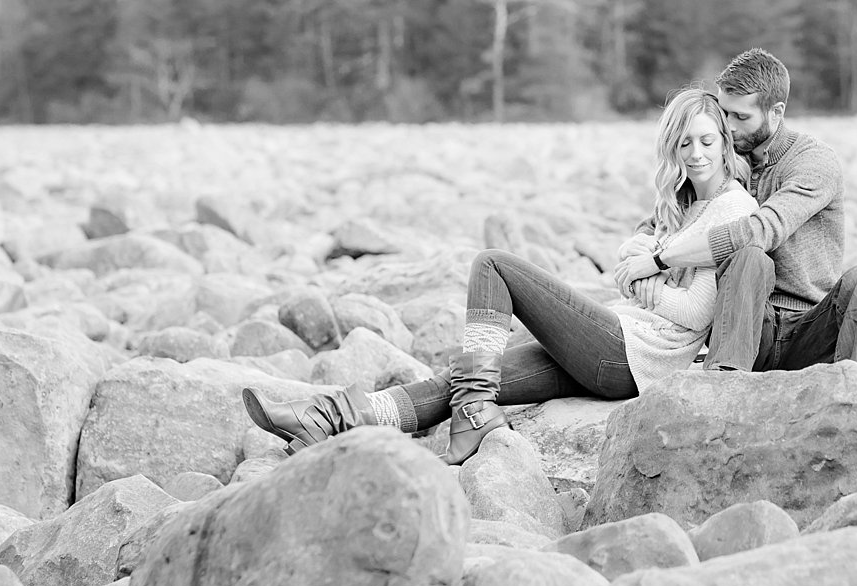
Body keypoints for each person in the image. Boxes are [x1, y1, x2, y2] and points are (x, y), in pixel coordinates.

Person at [242, 87, 757, 465]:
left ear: (725, 144)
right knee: (467, 377)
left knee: (494, 266)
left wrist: (644, 280)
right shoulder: (683, 205)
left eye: (706, 141)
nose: (696, 154)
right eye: (684, 143)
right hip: (618, 346)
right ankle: (322, 421)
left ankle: (470, 416)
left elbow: (694, 313)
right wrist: (640, 269)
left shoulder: (732, 207)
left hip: (635, 356)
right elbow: (629, 253)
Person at [615, 48, 857, 372]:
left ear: (776, 112)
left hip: (809, 330)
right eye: (725, 113)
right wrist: (641, 251)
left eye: (741, 117)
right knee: (749, 260)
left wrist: (659, 261)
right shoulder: (728, 159)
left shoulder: (813, 162)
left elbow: (761, 230)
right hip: (745, 328)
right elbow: (664, 218)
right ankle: (723, 382)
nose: (728, 127)